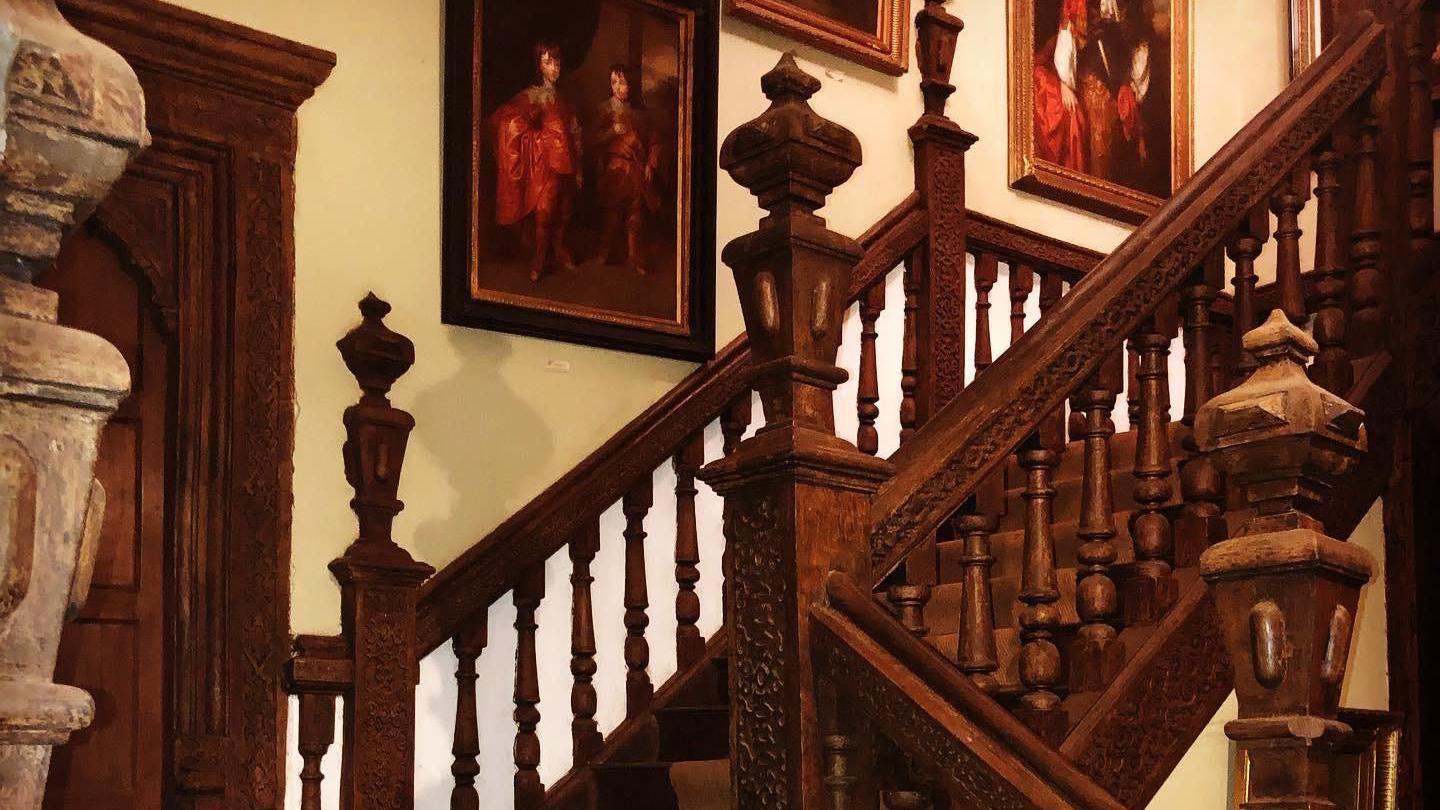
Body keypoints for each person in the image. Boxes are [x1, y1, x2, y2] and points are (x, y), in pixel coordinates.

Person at [492, 42, 584, 282]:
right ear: (539, 66)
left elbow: (575, 132)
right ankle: (540, 256)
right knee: (545, 212)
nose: (554, 67)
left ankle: (560, 249)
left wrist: (579, 168)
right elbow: (508, 118)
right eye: (548, 62)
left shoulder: (566, 98)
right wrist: (538, 139)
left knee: (565, 212)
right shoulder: (532, 95)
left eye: (556, 62)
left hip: (568, 161)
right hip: (546, 165)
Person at [590, 64, 661, 276]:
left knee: (635, 217)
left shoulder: (640, 115)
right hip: (615, 168)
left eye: (622, 82)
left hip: (636, 170)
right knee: (613, 215)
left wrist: (651, 163)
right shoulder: (604, 110)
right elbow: (592, 139)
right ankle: (604, 252)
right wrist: (612, 131)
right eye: (614, 82)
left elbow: (655, 143)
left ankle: (634, 257)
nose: (618, 87)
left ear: (631, 85)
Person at [1033, 0, 1090, 173]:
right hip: (1043, 77)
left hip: (1058, 78)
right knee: (1068, 112)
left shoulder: (1084, 37)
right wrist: (1063, 83)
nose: (1084, 19)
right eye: (1080, 14)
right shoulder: (1063, 32)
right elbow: (1053, 61)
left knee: (1076, 114)